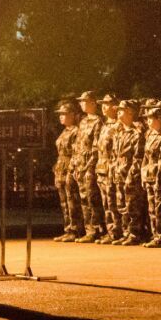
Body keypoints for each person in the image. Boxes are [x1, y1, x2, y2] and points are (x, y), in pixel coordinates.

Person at [71, 91, 105, 243]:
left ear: (93, 103)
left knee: (92, 198)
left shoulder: (98, 122)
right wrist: (75, 165)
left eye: (84, 101)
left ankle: (97, 229)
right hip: (80, 164)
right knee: (84, 198)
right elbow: (77, 145)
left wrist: (89, 166)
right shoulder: (83, 121)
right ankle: (89, 229)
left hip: (90, 165)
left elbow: (96, 147)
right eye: (81, 101)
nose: (82, 104)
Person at [113, 100, 147, 245]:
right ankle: (126, 232)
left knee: (133, 204)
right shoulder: (120, 132)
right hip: (119, 172)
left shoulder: (137, 132)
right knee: (122, 204)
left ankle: (135, 233)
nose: (118, 112)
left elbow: (138, 157)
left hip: (130, 174)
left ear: (130, 112)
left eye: (121, 110)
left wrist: (131, 175)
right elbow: (115, 154)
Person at [142, 104, 161, 248]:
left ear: (159, 119)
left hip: (160, 175)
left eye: (151, 118)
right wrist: (143, 174)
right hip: (149, 174)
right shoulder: (150, 135)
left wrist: (160, 177)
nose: (148, 121)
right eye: (147, 118)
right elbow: (146, 157)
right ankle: (155, 234)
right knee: (152, 206)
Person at [54, 100, 84, 243]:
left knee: (72, 201)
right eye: (60, 114)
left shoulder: (76, 131)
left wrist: (72, 169)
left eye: (64, 114)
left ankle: (76, 229)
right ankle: (68, 229)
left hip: (70, 168)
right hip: (61, 169)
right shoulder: (65, 131)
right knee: (64, 202)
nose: (61, 116)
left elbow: (76, 153)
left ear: (72, 115)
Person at [95, 94, 122, 244]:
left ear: (115, 106)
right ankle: (110, 230)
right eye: (102, 104)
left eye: (107, 104)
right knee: (106, 202)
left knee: (113, 202)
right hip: (102, 168)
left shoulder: (119, 126)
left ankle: (117, 231)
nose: (104, 107)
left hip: (112, 169)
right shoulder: (105, 125)